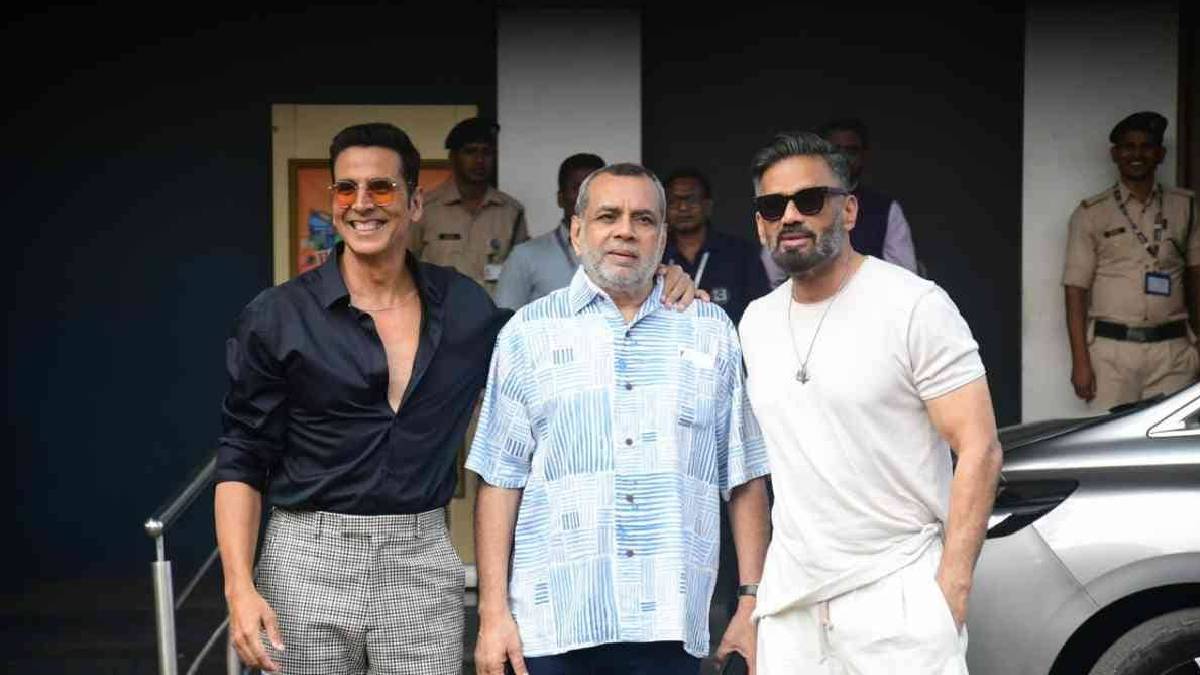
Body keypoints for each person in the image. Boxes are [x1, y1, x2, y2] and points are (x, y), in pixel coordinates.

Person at [214, 122, 706, 674]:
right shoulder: (277, 315)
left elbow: (558, 336)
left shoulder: (464, 307)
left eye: (381, 187)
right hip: (305, 560)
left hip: (421, 560)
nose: (362, 203)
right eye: (346, 189)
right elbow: (242, 457)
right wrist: (239, 586)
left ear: (414, 202)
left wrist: (659, 280)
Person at [468, 163, 772, 675]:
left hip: (669, 623)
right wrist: (492, 613)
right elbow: (500, 479)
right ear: (577, 231)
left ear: (662, 237)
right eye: (608, 216)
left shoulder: (709, 331)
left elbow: (744, 478)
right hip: (550, 623)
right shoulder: (528, 333)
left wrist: (750, 601)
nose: (625, 230)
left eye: (643, 219)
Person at [739, 132, 1002, 673]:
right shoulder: (755, 322)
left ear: (849, 210)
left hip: (897, 591)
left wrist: (950, 592)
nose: (790, 216)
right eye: (773, 206)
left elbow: (980, 448)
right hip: (791, 606)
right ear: (760, 224)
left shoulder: (915, 305)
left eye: (809, 200)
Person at [1063, 111, 1199, 410]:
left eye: (1146, 146)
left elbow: (1196, 278)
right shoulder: (1091, 213)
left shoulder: (1185, 207)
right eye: (1128, 147)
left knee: (1168, 438)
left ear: (1160, 154)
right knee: (1108, 436)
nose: (1137, 154)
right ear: (1115, 154)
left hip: (1173, 354)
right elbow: (1075, 291)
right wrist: (1080, 361)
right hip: (1112, 355)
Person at [760, 118, 918, 286]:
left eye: (851, 151)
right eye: (835, 150)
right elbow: (770, 276)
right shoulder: (790, 204)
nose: (843, 157)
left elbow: (905, 279)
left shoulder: (884, 209)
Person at [411, 117, 528, 294]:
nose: (479, 160)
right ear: (452, 157)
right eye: (470, 152)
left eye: (487, 152)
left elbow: (522, 272)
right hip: (440, 309)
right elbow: (406, 265)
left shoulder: (511, 211)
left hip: (493, 309)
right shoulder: (425, 209)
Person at [496, 153, 606, 309]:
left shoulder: (626, 253)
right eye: (577, 188)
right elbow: (505, 317)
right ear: (560, 198)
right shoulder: (525, 257)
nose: (586, 197)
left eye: (594, 188)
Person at [662, 168, 770, 325]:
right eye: (674, 201)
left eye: (691, 200)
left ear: (708, 205)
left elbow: (763, 311)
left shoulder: (741, 253)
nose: (683, 208)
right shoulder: (656, 256)